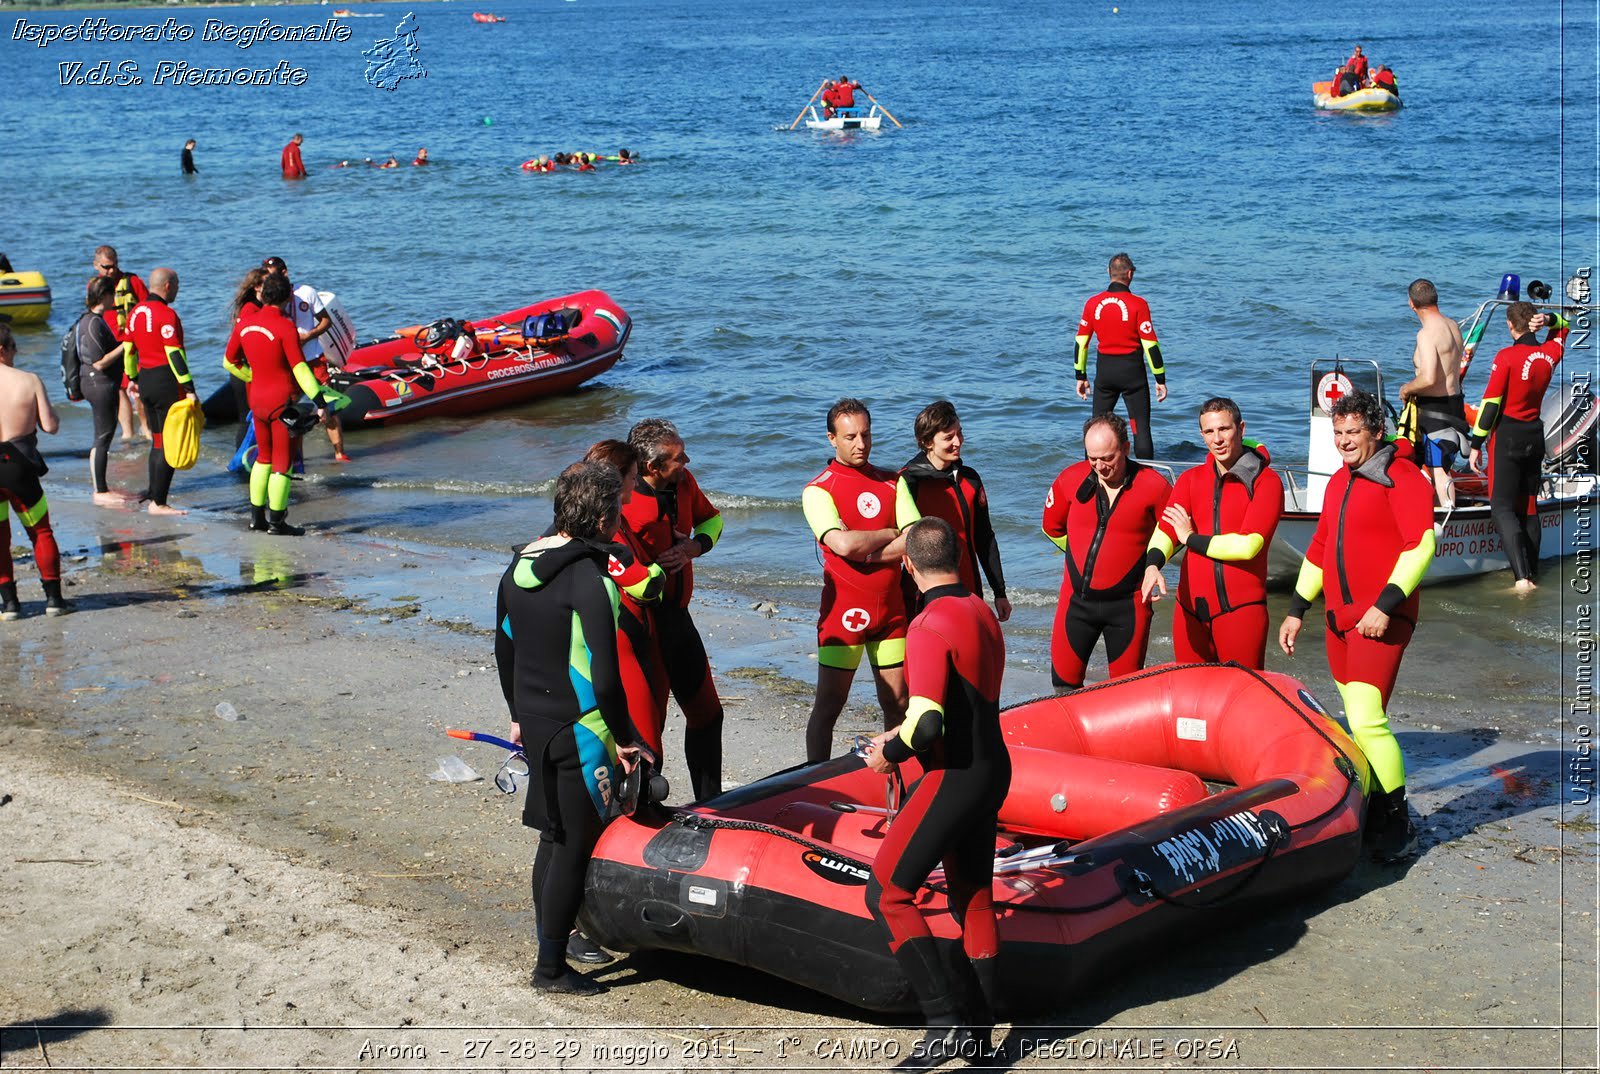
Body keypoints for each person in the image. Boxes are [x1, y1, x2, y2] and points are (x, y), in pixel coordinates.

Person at [496, 461, 652, 995]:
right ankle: (550, 968)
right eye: (618, 509)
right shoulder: (592, 582)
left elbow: (504, 645)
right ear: (604, 515)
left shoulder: (520, 562)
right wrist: (627, 737)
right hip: (582, 729)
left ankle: (549, 949)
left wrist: (516, 713)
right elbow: (606, 680)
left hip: (536, 723)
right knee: (572, 844)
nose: (621, 517)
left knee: (553, 833)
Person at [862, 517, 1008, 1069]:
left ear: (908, 565)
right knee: (973, 896)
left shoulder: (927, 625)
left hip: (955, 776)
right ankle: (981, 1035)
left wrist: (888, 753)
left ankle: (945, 1023)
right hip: (994, 768)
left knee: (887, 894)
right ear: (957, 558)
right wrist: (897, 734)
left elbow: (926, 727)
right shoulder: (980, 611)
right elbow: (961, 708)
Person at [1278, 389, 1433, 863]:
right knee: (1358, 722)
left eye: (1353, 432)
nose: (1344, 441)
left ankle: (1397, 821)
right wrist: (1297, 608)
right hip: (1340, 620)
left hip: (1380, 619)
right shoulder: (1339, 482)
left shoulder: (1401, 477)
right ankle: (1375, 810)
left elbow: (1422, 543)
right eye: (1338, 433)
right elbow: (1321, 549)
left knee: (1368, 719)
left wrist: (1386, 604)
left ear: (1376, 432)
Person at [803, 398, 920, 762]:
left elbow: (914, 536)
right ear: (831, 439)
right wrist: (889, 532)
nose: (861, 444)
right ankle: (813, 782)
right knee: (829, 707)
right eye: (850, 436)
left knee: (898, 702)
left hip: (891, 613)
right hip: (843, 616)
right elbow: (840, 543)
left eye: (866, 435)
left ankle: (901, 774)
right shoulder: (818, 490)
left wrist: (868, 549)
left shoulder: (892, 481)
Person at [618, 419, 726, 800]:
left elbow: (713, 519)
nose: (688, 461)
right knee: (649, 735)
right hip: (643, 630)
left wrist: (696, 546)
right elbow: (626, 575)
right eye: (679, 457)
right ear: (651, 467)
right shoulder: (624, 501)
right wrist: (658, 568)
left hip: (679, 620)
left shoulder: (684, 483)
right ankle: (639, 816)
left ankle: (713, 807)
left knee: (709, 715)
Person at [1140, 398, 1282, 668]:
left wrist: (1190, 538)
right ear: (1201, 434)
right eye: (1209, 432)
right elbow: (1167, 528)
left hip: (1241, 610)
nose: (1217, 439)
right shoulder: (1190, 479)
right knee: (1191, 698)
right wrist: (1152, 565)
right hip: (1190, 611)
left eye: (1224, 429)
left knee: (1240, 699)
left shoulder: (1266, 482)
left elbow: (1248, 546)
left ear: (1241, 429)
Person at [1041, 413, 1169, 689]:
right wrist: (1078, 556)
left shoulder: (1154, 486)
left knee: (1125, 693)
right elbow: (1051, 528)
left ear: (1126, 448)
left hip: (1128, 606)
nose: (1100, 466)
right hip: (1075, 604)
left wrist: (1153, 564)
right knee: (1063, 688)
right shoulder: (1069, 480)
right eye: (1092, 458)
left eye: (1108, 458)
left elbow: (1174, 533)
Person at [223, 273, 343, 536]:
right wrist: (320, 401)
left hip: (257, 400)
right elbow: (300, 368)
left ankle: (256, 518)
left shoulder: (245, 323)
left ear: (263, 295)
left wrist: (253, 377)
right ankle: (277, 522)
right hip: (279, 401)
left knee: (262, 458)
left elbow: (229, 361)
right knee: (281, 462)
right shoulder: (285, 326)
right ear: (288, 297)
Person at [1467, 303, 1570, 592]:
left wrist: (1476, 444)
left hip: (1508, 435)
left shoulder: (1507, 356)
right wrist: (1550, 319)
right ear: (1535, 323)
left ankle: (1522, 579)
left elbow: (1490, 404)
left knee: (1501, 508)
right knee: (1528, 507)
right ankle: (1533, 572)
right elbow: (1564, 327)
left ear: (1511, 326)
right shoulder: (1550, 353)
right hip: (1535, 434)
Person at [898, 400, 1010, 622]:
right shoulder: (907, 482)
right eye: (948, 437)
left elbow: (985, 539)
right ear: (927, 442)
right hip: (920, 595)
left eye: (960, 433)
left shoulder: (970, 479)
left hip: (968, 589)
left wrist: (999, 593)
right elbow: (895, 541)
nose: (958, 442)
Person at [0, 325, 69, 619]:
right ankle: (54, 601)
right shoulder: (29, 380)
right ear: (3, 349)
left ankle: (10, 605)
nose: (17, 351)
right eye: (14, 346)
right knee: (40, 531)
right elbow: (51, 426)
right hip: (18, 466)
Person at [1073, 252, 1167, 459]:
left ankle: (1091, 474)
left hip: (1105, 373)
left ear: (1109, 272)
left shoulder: (1092, 303)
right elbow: (1151, 345)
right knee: (1139, 427)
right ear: (1130, 274)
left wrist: (1080, 375)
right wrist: (1160, 378)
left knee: (1096, 426)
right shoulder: (1139, 304)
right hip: (1133, 373)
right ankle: (1146, 474)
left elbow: (1081, 343)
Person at [263, 257, 349, 462]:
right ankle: (297, 458)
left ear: (285, 272)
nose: (269, 278)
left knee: (329, 407)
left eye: (273, 273)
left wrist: (307, 336)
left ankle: (339, 454)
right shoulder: (268, 296)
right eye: (266, 274)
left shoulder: (307, 292)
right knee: (292, 411)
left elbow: (326, 321)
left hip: (313, 357)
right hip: (288, 362)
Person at [125, 267, 195, 515]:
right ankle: (159, 503)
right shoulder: (167, 314)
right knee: (169, 443)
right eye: (176, 285)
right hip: (166, 380)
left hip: (145, 379)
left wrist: (132, 377)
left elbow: (128, 349)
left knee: (157, 441)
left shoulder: (135, 312)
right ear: (168, 286)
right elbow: (174, 353)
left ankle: (154, 494)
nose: (177, 290)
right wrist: (189, 388)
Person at [1398, 279, 1469, 506]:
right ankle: (1437, 514)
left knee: (1438, 469)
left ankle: (1446, 519)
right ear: (1435, 298)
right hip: (1455, 403)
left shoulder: (1427, 334)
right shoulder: (1453, 325)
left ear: (1411, 304)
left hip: (1435, 410)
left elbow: (1429, 377)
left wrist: (1406, 388)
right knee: (1440, 466)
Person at [71, 277, 134, 505]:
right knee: (103, 436)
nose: (115, 300)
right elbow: (99, 362)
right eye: (113, 295)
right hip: (98, 382)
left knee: (103, 435)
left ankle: (101, 487)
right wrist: (126, 345)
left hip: (94, 382)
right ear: (104, 296)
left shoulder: (86, 321)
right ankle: (100, 491)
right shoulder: (93, 323)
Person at [91, 244, 150, 442]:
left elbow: (148, 308)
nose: (111, 270)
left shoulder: (133, 282)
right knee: (119, 389)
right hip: (109, 344)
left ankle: (146, 429)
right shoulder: (94, 286)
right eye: (106, 267)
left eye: (114, 265)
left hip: (133, 344)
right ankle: (128, 434)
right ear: (96, 266)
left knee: (137, 387)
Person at [226, 267, 269, 449]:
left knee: (252, 418)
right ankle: (241, 461)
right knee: (247, 419)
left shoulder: (260, 307)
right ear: (257, 287)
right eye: (268, 282)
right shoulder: (250, 309)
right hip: (243, 370)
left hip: (249, 369)